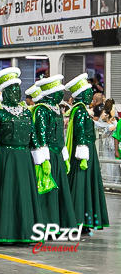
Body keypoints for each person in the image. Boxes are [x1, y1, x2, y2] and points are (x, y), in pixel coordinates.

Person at [0, 68, 50, 245]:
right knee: (7, 194)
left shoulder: (26, 113)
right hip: (5, 159)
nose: (16, 93)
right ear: (4, 92)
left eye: (18, 90)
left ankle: (26, 232)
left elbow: (34, 138)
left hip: (24, 159)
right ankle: (5, 232)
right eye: (12, 90)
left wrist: (42, 159)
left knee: (24, 195)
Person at [30, 76, 78, 230]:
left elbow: (60, 135)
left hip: (57, 154)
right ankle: (45, 225)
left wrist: (64, 156)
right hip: (48, 155)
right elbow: (41, 135)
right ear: (51, 93)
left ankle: (59, 224)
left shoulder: (57, 110)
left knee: (59, 191)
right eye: (59, 92)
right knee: (47, 191)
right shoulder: (42, 110)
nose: (62, 95)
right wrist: (43, 160)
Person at [64, 73, 110, 232]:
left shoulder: (79, 110)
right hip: (84, 153)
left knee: (82, 185)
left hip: (84, 151)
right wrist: (84, 152)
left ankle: (82, 219)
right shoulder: (81, 111)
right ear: (81, 94)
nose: (90, 94)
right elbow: (80, 133)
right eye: (87, 92)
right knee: (82, 185)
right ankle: (80, 219)